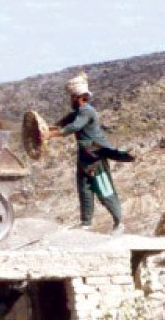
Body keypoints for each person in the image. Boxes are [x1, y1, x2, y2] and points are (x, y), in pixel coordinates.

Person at [49, 72, 133, 235]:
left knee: (103, 187)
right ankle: (86, 222)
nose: (70, 100)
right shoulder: (78, 112)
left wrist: (52, 135)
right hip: (85, 155)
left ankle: (119, 222)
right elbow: (63, 122)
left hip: (95, 154)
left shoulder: (87, 112)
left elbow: (74, 127)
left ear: (78, 97)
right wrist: (48, 128)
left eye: (72, 97)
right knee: (85, 188)